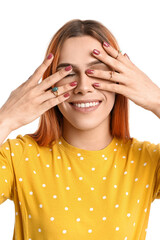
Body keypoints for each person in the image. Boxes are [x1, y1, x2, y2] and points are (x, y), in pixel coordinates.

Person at [0, 19, 159, 240]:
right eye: (68, 73)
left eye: (97, 72)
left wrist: (157, 100)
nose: (83, 87)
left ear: (122, 79)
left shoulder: (147, 161)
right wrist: (5, 120)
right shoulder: (18, 157)